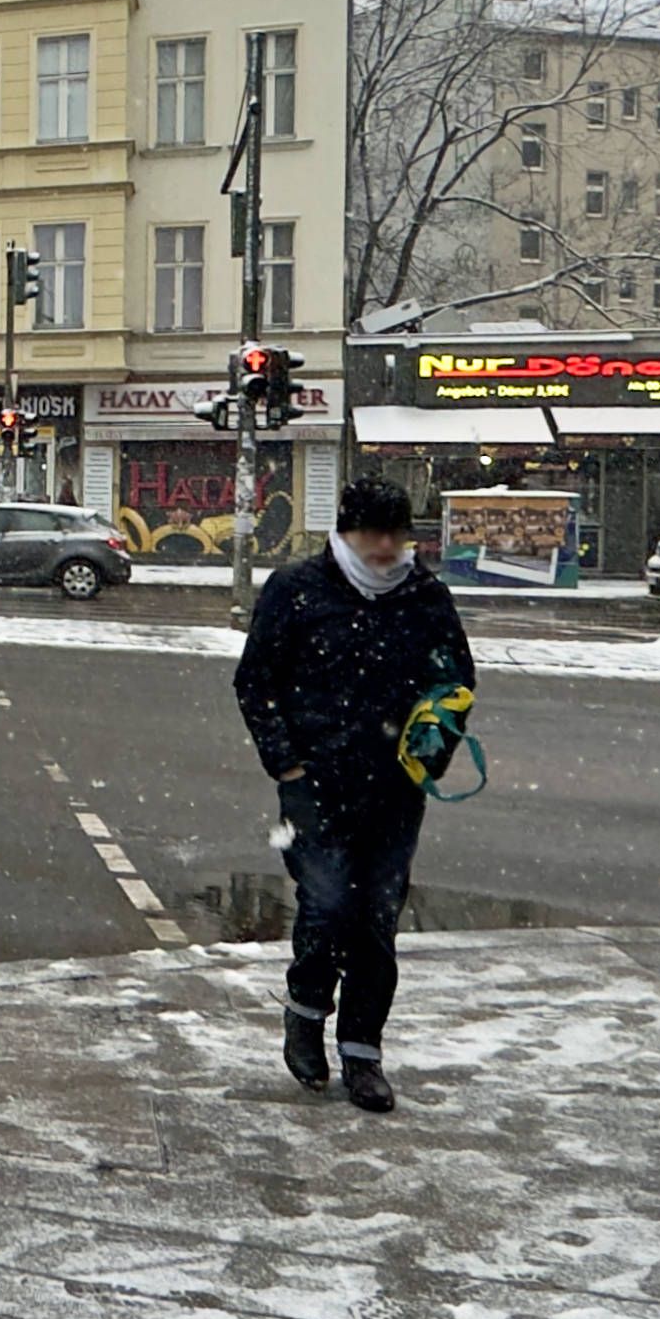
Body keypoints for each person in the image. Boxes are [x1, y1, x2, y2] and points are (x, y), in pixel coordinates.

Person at [230, 476, 477, 1114]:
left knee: (375, 921)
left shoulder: (425, 598)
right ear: (345, 531)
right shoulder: (297, 590)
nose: (386, 546)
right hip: (314, 784)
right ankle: (306, 1011)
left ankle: (363, 1054)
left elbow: (456, 683)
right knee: (329, 904)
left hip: (395, 789)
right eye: (373, 532)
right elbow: (256, 681)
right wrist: (286, 766)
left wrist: (432, 755)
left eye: (397, 534)